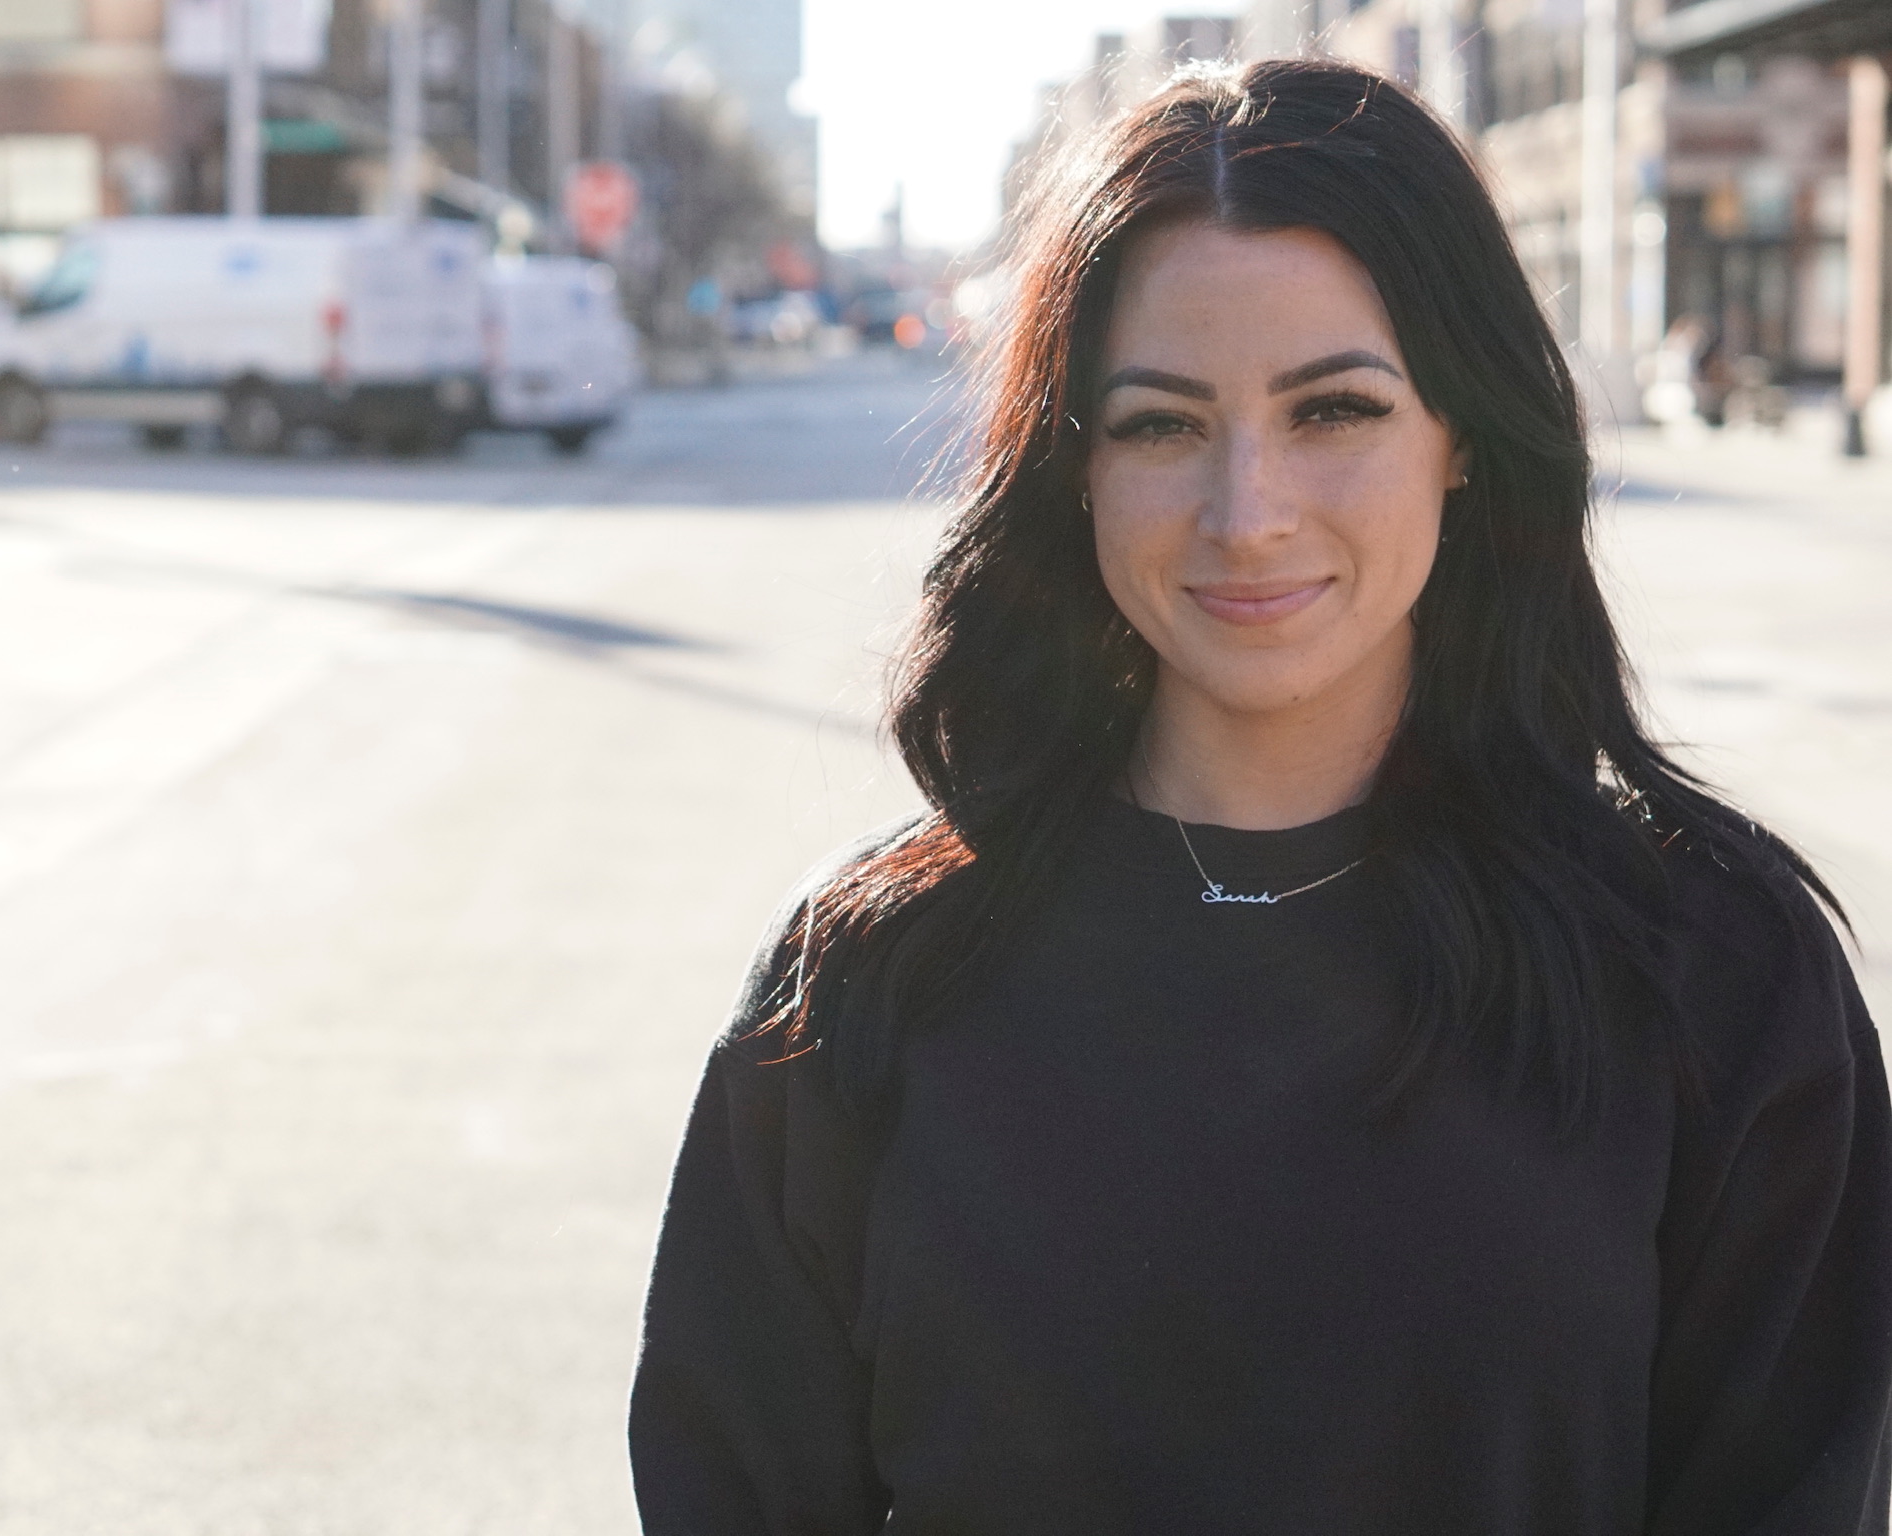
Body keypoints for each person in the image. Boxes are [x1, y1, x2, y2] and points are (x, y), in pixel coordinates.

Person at [628, 59, 1890, 1536]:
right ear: (1074, 463)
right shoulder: (866, 980)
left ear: (1464, 433)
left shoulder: (1714, 978)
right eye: (1163, 424)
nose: (1247, 513)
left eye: (1334, 410)